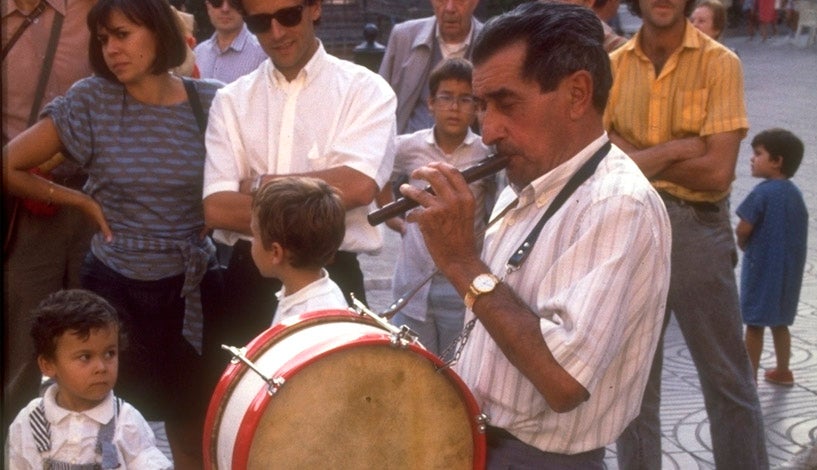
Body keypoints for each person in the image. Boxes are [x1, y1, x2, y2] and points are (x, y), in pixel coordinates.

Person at [400, 3, 672, 467]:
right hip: (486, 438)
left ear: (577, 94)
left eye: (506, 104)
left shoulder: (616, 203)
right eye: (482, 107)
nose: (487, 132)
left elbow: (563, 380)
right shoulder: (528, 180)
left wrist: (462, 262)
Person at [2, 0, 225, 467]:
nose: (111, 50)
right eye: (103, 40)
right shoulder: (92, 100)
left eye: (122, 35)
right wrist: (83, 201)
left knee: (194, 428)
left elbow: (244, 179)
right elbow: (10, 164)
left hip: (190, 293)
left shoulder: (212, 102)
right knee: (105, 432)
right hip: (115, 289)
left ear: (158, 32)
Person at [604, 0, 769, 466]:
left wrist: (636, 156)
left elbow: (717, 173)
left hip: (697, 228)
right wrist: (677, 149)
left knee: (728, 382)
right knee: (633, 387)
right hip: (630, 226)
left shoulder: (720, 63)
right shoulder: (612, 67)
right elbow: (600, 157)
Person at [202, 0, 396, 349]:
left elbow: (358, 186)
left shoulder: (365, 90)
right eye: (261, 22)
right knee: (243, 401)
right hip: (249, 285)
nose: (276, 32)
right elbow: (217, 208)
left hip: (334, 273)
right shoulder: (230, 100)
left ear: (315, 8)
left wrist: (258, 184)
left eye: (288, 16)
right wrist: (320, 201)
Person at [2, 0, 98, 439]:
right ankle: (17, 446)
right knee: (22, 340)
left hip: (94, 200)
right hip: (17, 206)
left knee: (94, 333)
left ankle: (89, 449)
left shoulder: (94, 9)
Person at [382, 57, 495, 358]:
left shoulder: (486, 152)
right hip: (413, 280)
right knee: (414, 367)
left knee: (456, 368)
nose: (455, 108)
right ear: (431, 103)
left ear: (476, 106)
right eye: (446, 98)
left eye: (465, 99)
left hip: (461, 286)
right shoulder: (408, 147)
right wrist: (397, 222)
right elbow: (377, 174)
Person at [6, 289, 172, 469]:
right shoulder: (29, 422)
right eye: (85, 357)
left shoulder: (125, 421)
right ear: (48, 365)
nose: (101, 367)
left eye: (109, 353)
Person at [736, 128, 808, 386]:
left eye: (758, 154)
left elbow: (744, 227)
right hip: (788, 272)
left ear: (776, 161)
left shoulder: (762, 193)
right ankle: (783, 370)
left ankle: (749, 377)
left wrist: (742, 242)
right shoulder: (795, 194)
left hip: (762, 268)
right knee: (780, 322)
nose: (752, 159)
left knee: (754, 324)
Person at [250, 176, 348, 326]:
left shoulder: (309, 321)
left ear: (276, 252)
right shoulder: (314, 291)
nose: (252, 242)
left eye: (254, 235)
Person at [378, 0, 482, 135]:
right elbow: (378, 103)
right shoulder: (403, 37)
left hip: (470, 152)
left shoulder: (491, 43)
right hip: (408, 149)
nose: (450, 8)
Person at [195, 0, 268, 83]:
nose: (225, 9)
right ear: (208, 6)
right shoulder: (199, 52)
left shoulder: (263, 53)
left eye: (233, 2)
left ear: (245, 7)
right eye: (217, 2)